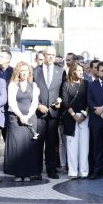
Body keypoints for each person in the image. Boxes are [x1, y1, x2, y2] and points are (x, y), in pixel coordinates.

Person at [4, 61, 40, 182]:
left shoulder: (33, 85)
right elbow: (12, 103)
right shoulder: (13, 85)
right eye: (22, 70)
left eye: (26, 70)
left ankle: (28, 173)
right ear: (18, 72)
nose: (24, 73)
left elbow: (35, 102)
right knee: (17, 147)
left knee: (28, 147)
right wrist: (20, 116)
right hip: (15, 119)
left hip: (30, 119)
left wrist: (28, 116)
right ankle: (18, 173)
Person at [33, 46, 65, 180]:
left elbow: (63, 90)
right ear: (44, 56)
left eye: (53, 54)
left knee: (52, 143)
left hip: (54, 112)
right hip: (39, 112)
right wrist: (38, 105)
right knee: (38, 142)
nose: (51, 57)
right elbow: (31, 91)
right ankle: (37, 170)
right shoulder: (35, 71)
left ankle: (51, 169)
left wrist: (60, 100)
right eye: (48, 54)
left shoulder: (61, 71)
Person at [61, 63, 89, 179]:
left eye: (82, 70)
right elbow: (65, 102)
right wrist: (74, 116)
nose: (81, 72)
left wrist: (84, 114)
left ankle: (84, 172)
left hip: (84, 117)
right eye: (78, 70)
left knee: (84, 146)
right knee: (72, 146)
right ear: (73, 71)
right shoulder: (66, 84)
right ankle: (73, 172)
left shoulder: (86, 84)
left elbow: (89, 101)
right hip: (70, 118)